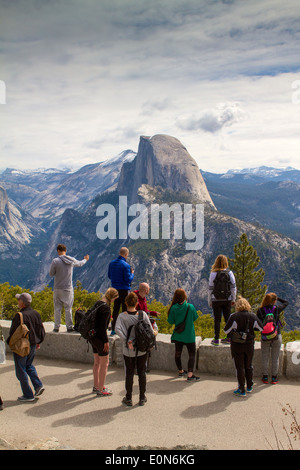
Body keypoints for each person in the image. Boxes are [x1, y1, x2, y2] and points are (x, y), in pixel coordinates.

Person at [7, 293, 46, 402]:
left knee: (20, 369)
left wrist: (9, 343)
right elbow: (41, 329)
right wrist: (38, 341)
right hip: (33, 345)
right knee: (28, 365)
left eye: (19, 300)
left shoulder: (19, 316)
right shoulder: (36, 314)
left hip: (22, 347)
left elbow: (13, 332)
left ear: (22, 303)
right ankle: (38, 385)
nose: (18, 301)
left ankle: (28, 394)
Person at [115, 292, 152, 406]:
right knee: (142, 372)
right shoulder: (142, 315)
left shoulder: (122, 316)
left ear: (126, 303)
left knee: (129, 373)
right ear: (137, 303)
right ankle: (142, 397)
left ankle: (129, 398)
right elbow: (150, 330)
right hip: (141, 349)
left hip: (128, 350)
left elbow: (117, 329)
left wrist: (126, 340)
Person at [224, 296, 263, 397]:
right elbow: (261, 328)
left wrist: (234, 330)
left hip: (237, 345)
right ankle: (249, 386)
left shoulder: (234, 316)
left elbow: (226, 330)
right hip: (249, 344)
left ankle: (241, 389)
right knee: (249, 365)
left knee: (239, 367)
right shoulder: (253, 316)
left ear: (237, 306)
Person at [49, 243, 89, 332]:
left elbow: (51, 274)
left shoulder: (55, 261)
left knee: (57, 308)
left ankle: (56, 327)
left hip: (57, 288)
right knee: (68, 308)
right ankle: (69, 327)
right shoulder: (71, 260)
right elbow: (80, 264)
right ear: (65, 251)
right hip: (68, 289)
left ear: (58, 251)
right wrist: (85, 259)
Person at [89, 288, 119, 397]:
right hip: (100, 338)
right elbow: (102, 328)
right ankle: (101, 389)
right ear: (112, 297)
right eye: (115, 298)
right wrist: (105, 341)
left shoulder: (97, 303)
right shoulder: (106, 308)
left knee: (96, 362)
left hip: (92, 337)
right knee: (104, 363)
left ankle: (96, 386)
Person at [167, 288, 200, 382]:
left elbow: (170, 321)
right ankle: (190, 375)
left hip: (178, 335)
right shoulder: (190, 307)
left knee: (178, 353)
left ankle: (181, 371)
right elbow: (195, 318)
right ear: (185, 296)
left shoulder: (173, 308)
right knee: (192, 354)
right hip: (189, 335)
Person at [257, 293, 288, 385]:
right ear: (274, 301)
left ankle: (265, 377)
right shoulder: (277, 309)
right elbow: (286, 302)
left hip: (265, 336)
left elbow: (258, 324)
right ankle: (274, 378)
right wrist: (278, 298)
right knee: (275, 358)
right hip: (276, 335)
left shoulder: (260, 310)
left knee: (265, 357)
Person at [208, 254, 237, 346]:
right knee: (228, 318)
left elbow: (210, 289)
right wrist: (233, 298)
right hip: (227, 299)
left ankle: (216, 339)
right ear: (226, 263)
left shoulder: (213, 274)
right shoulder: (230, 273)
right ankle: (228, 337)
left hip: (216, 299)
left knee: (217, 319)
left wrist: (210, 301)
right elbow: (233, 287)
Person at [108, 247, 134, 336]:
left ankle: (114, 328)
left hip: (115, 289)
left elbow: (109, 276)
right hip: (124, 289)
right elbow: (128, 279)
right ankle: (123, 329)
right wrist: (132, 273)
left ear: (119, 253)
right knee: (125, 309)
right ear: (126, 254)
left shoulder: (112, 263)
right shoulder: (126, 265)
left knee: (115, 309)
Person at [134, 283, 159, 372]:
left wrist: (152, 313)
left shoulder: (143, 298)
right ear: (145, 290)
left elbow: (145, 311)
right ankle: (141, 367)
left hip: (144, 323)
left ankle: (144, 365)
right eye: (148, 289)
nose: (149, 290)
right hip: (139, 325)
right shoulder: (135, 298)